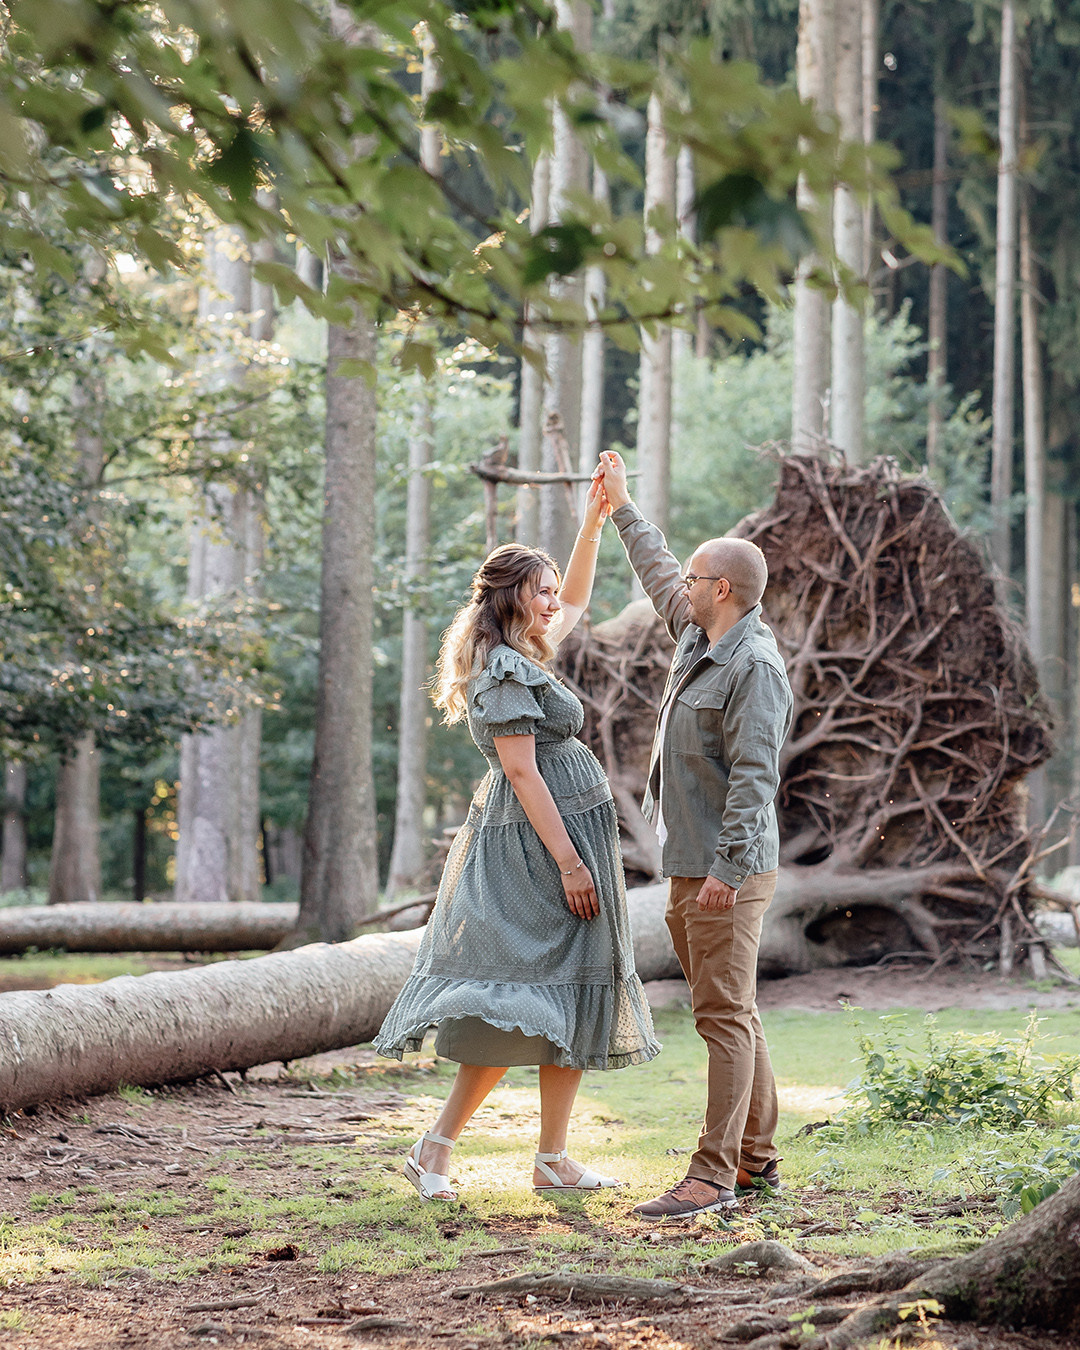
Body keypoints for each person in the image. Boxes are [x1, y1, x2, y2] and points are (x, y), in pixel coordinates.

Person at [374, 481, 660, 1202]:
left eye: (552, 589)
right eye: (540, 590)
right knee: (520, 1001)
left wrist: (594, 523)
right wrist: (570, 863)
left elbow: (582, 601)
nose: (552, 601)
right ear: (509, 598)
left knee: (570, 992)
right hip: (538, 851)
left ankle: (553, 1159)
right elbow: (522, 772)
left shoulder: (527, 652)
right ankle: (433, 1150)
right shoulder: (501, 669)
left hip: (569, 839)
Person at [595, 449, 793, 1221]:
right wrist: (621, 508)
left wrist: (727, 869)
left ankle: (711, 1177)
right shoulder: (700, 636)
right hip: (692, 864)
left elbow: (755, 778)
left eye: (695, 577)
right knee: (734, 1010)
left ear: (724, 590)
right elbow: (658, 570)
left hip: (724, 872)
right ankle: (756, 1162)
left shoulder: (755, 669)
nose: (682, 585)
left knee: (720, 1018)